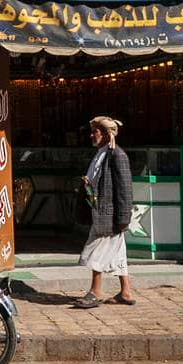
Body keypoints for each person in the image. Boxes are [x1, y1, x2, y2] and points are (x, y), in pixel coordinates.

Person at [72, 116, 135, 309]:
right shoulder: (101, 154)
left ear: (107, 134)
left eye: (96, 132)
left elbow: (124, 189)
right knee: (118, 255)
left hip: (109, 216)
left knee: (95, 250)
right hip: (100, 212)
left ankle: (95, 291)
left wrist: (123, 218)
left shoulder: (118, 155)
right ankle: (126, 292)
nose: (92, 135)